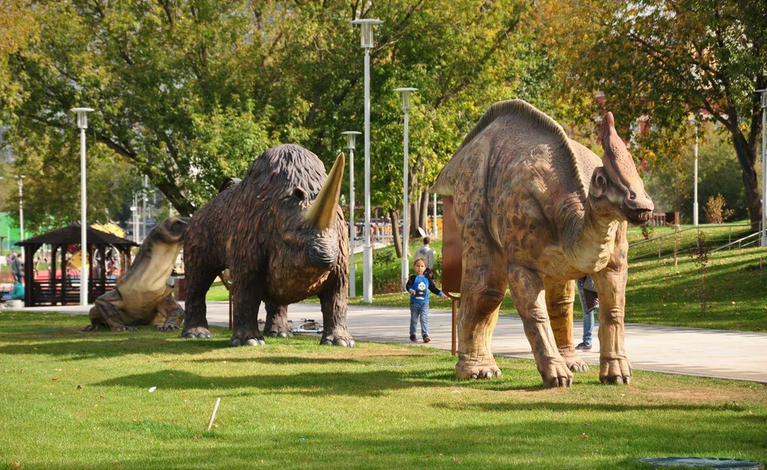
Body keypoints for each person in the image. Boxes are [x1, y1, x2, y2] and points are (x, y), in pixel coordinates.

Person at [406, 257, 447, 343]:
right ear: (414, 267)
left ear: (425, 268)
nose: (419, 268)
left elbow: (433, 288)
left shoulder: (427, 279)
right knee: (414, 319)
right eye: (417, 266)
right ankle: (412, 334)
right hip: (414, 303)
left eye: (422, 266)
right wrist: (411, 290)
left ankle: (425, 335)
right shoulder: (413, 278)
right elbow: (408, 286)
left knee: (424, 318)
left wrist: (440, 294)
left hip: (424, 303)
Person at [575, 275, 599, 350]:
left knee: (588, 312)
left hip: (585, 278)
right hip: (599, 277)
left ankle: (587, 341)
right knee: (599, 311)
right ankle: (606, 342)